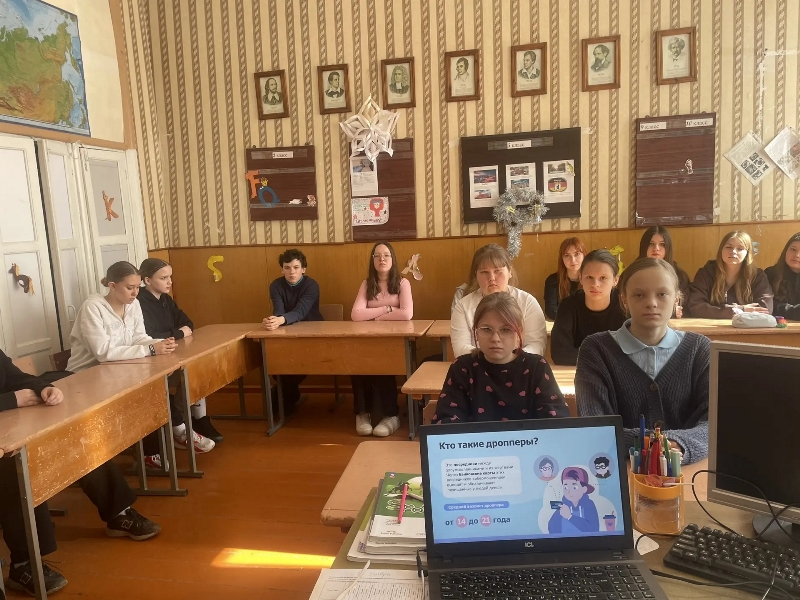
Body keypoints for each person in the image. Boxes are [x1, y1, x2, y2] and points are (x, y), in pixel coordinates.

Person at [0, 351, 161, 596]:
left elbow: (17, 378)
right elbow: (14, 394)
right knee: (16, 467)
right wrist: (11, 400)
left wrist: (43, 388)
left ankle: (118, 513)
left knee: (76, 437)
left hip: (10, 425)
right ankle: (24, 564)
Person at [67, 261, 214, 467]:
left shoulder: (133, 304)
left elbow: (139, 337)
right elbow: (103, 352)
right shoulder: (92, 308)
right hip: (87, 377)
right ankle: (168, 439)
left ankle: (163, 442)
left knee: (154, 388)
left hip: (120, 368)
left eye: (137, 287)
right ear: (112, 286)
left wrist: (160, 343)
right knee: (148, 393)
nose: (136, 293)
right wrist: (151, 349)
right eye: (130, 288)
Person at [576, 258, 711, 464]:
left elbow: (713, 422)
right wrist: (654, 445)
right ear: (624, 300)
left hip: (688, 472)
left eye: (662, 294)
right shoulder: (596, 349)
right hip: (620, 471)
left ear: (677, 298)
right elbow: (593, 426)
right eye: (639, 295)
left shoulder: (699, 349)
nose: (651, 303)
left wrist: (677, 444)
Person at [432, 293, 568, 424]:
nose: (495, 338)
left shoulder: (537, 367)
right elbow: (446, 421)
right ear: (476, 332)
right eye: (486, 329)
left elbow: (556, 421)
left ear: (519, 333)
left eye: (505, 330)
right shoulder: (463, 368)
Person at [138, 258, 223, 443]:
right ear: (147, 280)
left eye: (170, 277)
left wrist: (176, 333)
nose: (169, 282)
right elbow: (150, 335)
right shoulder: (139, 303)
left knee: (197, 370)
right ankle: (181, 421)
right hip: (151, 360)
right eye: (163, 278)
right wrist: (178, 333)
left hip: (172, 353)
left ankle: (197, 419)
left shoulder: (166, 299)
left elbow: (187, 323)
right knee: (190, 373)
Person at [350, 242, 413, 437]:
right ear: (373, 261)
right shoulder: (367, 283)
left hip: (394, 340)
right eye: (377, 256)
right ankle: (362, 413)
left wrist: (375, 316)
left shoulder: (402, 283)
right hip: (368, 339)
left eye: (386, 255)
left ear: (392, 259)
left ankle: (390, 416)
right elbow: (356, 315)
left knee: (385, 367)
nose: (382, 259)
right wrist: (387, 309)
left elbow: (407, 314)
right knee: (356, 365)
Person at [451, 244, 547, 358]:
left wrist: (509, 359)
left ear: (510, 272)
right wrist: (490, 360)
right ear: (476, 275)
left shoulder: (527, 302)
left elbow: (536, 345)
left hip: (519, 365)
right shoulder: (463, 306)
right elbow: (461, 348)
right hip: (477, 365)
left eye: (497, 271)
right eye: (484, 272)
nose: (492, 278)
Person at [262, 249, 324, 414]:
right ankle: (287, 397)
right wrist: (272, 321)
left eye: (296, 267)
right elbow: (279, 310)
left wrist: (280, 320)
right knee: (276, 362)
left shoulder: (311, 285)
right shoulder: (275, 285)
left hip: (312, 334)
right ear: (282, 270)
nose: (292, 272)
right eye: (287, 267)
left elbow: (300, 311)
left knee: (296, 365)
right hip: (286, 334)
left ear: (303, 269)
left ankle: (285, 399)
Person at [550, 249, 626, 366]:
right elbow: (560, 354)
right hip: (579, 372)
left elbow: (634, 351)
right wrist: (606, 357)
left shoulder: (625, 305)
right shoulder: (568, 306)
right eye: (589, 277)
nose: (595, 284)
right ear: (580, 278)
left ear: (615, 280)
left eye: (603, 278)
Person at [686, 230, 773, 318]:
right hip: (709, 325)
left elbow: (765, 308)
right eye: (728, 247)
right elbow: (696, 307)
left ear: (747, 253)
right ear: (721, 250)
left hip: (744, 325)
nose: (733, 251)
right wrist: (740, 310)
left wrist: (720, 311)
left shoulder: (757, 276)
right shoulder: (705, 273)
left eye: (740, 248)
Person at [637, 226, 690, 317]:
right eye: (651, 244)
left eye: (662, 244)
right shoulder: (632, 273)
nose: (656, 248)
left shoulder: (679, 275)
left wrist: (675, 309)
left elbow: (683, 305)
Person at [543, 237, 586, 320]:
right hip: (563, 324)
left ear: (584, 255)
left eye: (577, 254)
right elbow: (551, 311)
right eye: (567, 256)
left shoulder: (591, 279)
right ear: (562, 259)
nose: (573, 260)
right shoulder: (552, 280)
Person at [547, 467, 600, 534]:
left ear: (584, 489)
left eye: (574, 487)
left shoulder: (588, 505)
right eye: (565, 487)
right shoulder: (563, 506)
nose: (569, 491)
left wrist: (570, 517)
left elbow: (594, 529)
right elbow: (552, 527)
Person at [765, 232, 800, 320]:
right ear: (786, 251)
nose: (797, 255)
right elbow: (767, 305)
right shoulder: (770, 273)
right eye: (793, 249)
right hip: (776, 324)